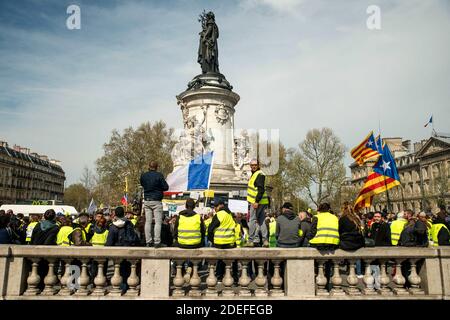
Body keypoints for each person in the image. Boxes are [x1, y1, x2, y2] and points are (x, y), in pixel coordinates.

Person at [140, 161, 169, 248]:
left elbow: (142, 184)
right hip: (156, 200)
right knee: (158, 222)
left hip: (147, 200)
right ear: (156, 167)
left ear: (149, 166)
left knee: (148, 222)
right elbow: (166, 187)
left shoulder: (143, 176)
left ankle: (148, 241)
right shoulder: (159, 175)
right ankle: (157, 242)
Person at [245, 158, 270, 247]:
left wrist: (256, 201)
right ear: (250, 166)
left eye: (255, 165)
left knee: (252, 220)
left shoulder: (259, 175)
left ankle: (250, 240)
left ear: (258, 166)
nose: (254, 167)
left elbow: (261, 189)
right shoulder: (256, 174)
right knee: (262, 220)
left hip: (257, 202)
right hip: (261, 202)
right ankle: (265, 240)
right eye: (252, 165)